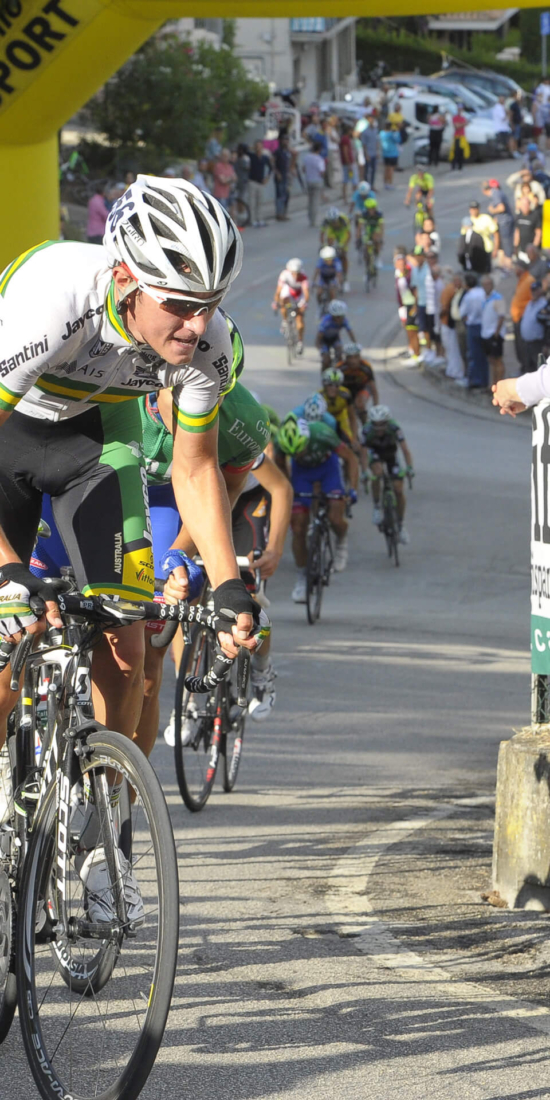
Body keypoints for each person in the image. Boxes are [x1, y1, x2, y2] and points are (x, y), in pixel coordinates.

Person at [0, 176, 254, 848]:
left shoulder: (209, 343)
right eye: (180, 304)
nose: (196, 325)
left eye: (210, 304)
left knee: (127, 645)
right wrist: (6, 567)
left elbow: (195, 468)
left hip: (94, 442)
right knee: (5, 651)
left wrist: (229, 586)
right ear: (124, 279)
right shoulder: (51, 303)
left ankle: (101, 840)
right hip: (7, 439)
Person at [276, 414, 359, 600]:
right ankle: (302, 576)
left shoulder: (323, 433)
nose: (298, 455)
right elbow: (280, 467)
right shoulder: (280, 444)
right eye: (293, 453)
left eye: (300, 450)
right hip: (302, 473)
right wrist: (288, 490)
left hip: (327, 469)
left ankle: (341, 540)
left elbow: (351, 459)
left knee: (335, 517)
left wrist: (353, 489)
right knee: (298, 527)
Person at [362, 404, 414, 545]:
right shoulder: (366, 430)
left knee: (398, 489)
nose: (379, 428)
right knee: (377, 473)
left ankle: (401, 525)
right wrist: (364, 472)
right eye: (375, 424)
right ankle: (377, 507)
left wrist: (409, 467)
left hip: (391, 455)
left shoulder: (395, 428)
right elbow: (364, 453)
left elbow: (405, 450)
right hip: (375, 454)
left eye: (382, 424)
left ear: (387, 422)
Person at [459, 272, 489, 389]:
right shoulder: (482, 292)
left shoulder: (468, 296)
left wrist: (468, 319)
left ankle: (474, 380)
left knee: (473, 354)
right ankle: (484, 380)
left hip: (473, 326)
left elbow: (462, 313)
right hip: (484, 325)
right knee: (483, 355)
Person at [273, 257, 309, 353]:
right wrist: (276, 302)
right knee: (283, 301)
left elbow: (306, 293)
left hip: (299, 294)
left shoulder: (303, 276)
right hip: (289, 292)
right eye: (293, 273)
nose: (296, 276)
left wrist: (304, 303)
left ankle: (300, 342)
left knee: (300, 319)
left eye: (297, 273)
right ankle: (285, 321)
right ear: (289, 271)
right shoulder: (284, 275)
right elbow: (278, 291)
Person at [338, 342, 379, 422]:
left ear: (360, 357)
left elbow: (373, 389)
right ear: (346, 358)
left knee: (360, 404)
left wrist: (376, 407)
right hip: (346, 389)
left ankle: (365, 424)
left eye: (355, 357)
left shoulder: (366, 367)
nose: (353, 361)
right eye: (350, 357)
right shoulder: (340, 367)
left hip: (362, 388)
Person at [394, 248, 421, 365]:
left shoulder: (410, 273)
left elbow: (415, 289)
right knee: (408, 328)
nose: (401, 266)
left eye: (403, 263)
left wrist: (415, 305)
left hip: (411, 304)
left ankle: (416, 355)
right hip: (405, 305)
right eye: (398, 264)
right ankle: (413, 352)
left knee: (412, 329)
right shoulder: (398, 274)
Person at [318, 367, 358, 444]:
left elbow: (352, 417)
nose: (333, 388)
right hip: (324, 420)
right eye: (330, 385)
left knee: (349, 441)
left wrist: (354, 438)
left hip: (341, 418)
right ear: (324, 385)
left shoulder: (345, 395)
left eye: (336, 385)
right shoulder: (319, 397)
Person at [439, 269, 466, 381]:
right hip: (448, 323)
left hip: (452, 324)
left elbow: (445, 307)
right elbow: (445, 307)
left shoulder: (456, 290)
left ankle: (456, 371)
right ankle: (453, 370)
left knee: (454, 349)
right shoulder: (451, 289)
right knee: (451, 348)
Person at [483, 178, 514, 269]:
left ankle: (508, 267)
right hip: (503, 222)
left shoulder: (495, 193)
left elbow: (501, 208)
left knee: (506, 245)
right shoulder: (499, 193)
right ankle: (502, 265)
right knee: (502, 245)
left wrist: (492, 210)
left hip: (505, 223)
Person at [480, 275, 506, 386]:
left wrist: (496, 332)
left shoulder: (497, 298)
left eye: (489, 284)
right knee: (491, 360)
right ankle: (494, 384)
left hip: (494, 334)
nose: (487, 286)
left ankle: (499, 384)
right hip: (486, 334)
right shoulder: (484, 298)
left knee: (498, 360)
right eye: (485, 284)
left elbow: (501, 316)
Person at [316, 300, 355, 370]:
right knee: (326, 360)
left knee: (340, 354)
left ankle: (339, 370)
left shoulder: (344, 320)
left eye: (341, 316)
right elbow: (320, 335)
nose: (339, 319)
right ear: (332, 315)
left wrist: (355, 343)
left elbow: (350, 332)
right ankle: (324, 372)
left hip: (335, 338)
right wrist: (318, 345)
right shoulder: (326, 321)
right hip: (324, 340)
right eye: (337, 317)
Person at [510, 259, 535, 372]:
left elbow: (533, 299)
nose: (514, 270)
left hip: (523, 319)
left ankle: (526, 369)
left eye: (516, 267)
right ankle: (523, 368)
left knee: (523, 347)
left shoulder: (529, 280)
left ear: (520, 268)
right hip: (517, 318)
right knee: (519, 347)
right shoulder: (522, 280)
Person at [320, 207, 352, 291]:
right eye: (331, 222)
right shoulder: (325, 221)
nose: (333, 223)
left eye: (334, 221)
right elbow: (322, 234)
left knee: (343, 255)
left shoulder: (343, 219)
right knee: (329, 245)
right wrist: (323, 245)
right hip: (332, 231)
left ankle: (345, 278)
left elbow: (349, 235)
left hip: (342, 232)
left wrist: (343, 246)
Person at [519, 279, 547, 372]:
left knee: (539, 369)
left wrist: (546, 344)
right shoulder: (530, 303)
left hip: (538, 343)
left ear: (540, 290)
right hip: (527, 343)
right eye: (532, 290)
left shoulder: (544, 304)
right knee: (529, 368)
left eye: (536, 290)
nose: (534, 292)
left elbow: (547, 326)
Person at [248, 140, 272, 228]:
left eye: (260, 146)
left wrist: (267, 178)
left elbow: (270, 168)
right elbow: (243, 148)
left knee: (260, 202)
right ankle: (253, 220)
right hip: (252, 181)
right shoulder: (252, 156)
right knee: (252, 202)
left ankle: (260, 219)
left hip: (261, 182)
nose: (258, 148)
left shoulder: (265, 157)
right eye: (257, 146)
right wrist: (252, 147)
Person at [303, 141, 326, 228]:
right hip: (317, 180)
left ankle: (310, 217)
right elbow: (322, 171)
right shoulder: (319, 159)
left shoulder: (306, 157)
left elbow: (303, 169)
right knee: (315, 201)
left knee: (310, 200)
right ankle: (313, 220)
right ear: (319, 149)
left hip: (309, 180)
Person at [514, 190, 542, 261]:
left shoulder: (535, 215)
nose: (525, 206)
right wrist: (515, 246)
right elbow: (517, 232)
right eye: (523, 205)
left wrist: (534, 247)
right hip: (522, 250)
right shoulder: (519, 216)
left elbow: (538, 233)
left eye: (526, 204)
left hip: (532, 251)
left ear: (529, 205)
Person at [274, 134, 292, 222]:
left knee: (287, 195)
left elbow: (290, 162)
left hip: (287, 176)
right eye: (284, 140)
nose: (286, 142)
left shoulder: (288, 151)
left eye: (287, 140)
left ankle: (284, 213)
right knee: (280, 195)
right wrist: (277, 173)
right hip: (280, 176)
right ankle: (279, 214)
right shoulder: (278, 151)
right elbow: (273, 163)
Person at [379, 122, 401, 190]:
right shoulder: (391, 134)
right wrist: (397, 131)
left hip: (385, 153)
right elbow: (398, 140)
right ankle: (390, 183)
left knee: (386, 169)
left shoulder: (381, 133)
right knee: (391, 169)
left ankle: (385, 183)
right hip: (393, 153)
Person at [339, 123, 357, 202]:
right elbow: (345, 152)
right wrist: (349, 163)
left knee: (348, 180)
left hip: (348, 163)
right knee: (352, 180)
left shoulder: (345, 138)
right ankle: (353, 198)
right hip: (348, 164)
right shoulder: (345, 139)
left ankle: (347, 198)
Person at [360, 117, 380, 190]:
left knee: (373, 170)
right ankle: (366, 186)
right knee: (367, 171)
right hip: (368, 153)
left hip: (374, 153)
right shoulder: (365, 132)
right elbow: (364, 144)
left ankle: (372, 185)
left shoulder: (375, 130)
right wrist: (366, 154)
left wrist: (377, 151)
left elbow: (377, 142)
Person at [450, 105, 470, 171]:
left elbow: (463, 124)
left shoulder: (463, 118)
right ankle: (453, 165)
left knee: (462, 151)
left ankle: (460, 166)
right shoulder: (455, 118)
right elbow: (457, 126)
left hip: (462, 136)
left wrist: (462, 124)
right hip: (457, 136)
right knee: (455, 152)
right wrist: (464, 124)